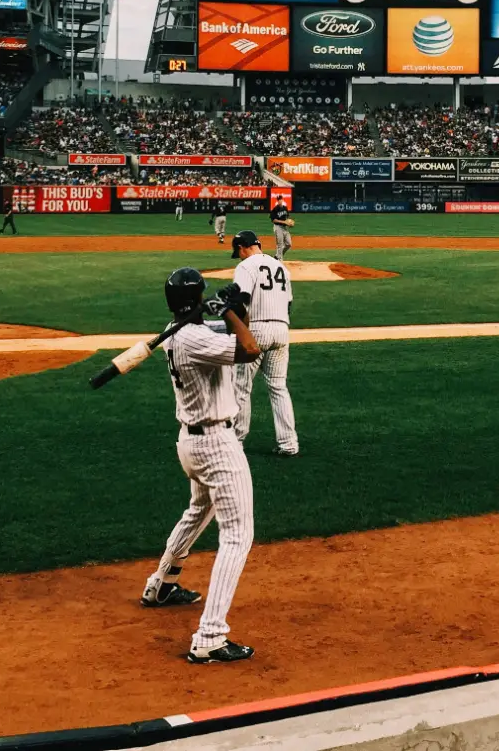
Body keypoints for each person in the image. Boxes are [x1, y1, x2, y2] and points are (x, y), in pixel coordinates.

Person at [142, 268, 261, 664]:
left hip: (190, 443)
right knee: (237, 535)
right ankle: (210, 636)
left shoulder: (177, 330)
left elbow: (218, 326)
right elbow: (250, 348)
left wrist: (231, 307)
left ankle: (161, 583)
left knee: (199, 511)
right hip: (215, 445)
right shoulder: (194, 338)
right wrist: (231, 313)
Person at [230, 231, 299, 456]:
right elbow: (289, 303)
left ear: (242, 248)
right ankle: (289, 444)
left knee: (241, 387)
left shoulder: (246, 266)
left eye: (237, 251)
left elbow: (242, 303)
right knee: (279, 388)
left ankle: (236, 442)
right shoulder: (281, 267)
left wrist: (241, 333)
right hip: (282, 330)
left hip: (256, 330)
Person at [270, 195, 293, 261]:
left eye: (281, 199)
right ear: (277, 201)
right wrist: (284, 222)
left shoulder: (285, 208)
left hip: (284, 228)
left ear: (282, 200)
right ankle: (280, 260)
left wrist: (289, 222)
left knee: (289, 244)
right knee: (280, 244)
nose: (280, 200)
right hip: (278, 227)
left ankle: (278, 255)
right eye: (279, 199)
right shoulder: (275, 209)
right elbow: (274, 220)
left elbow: (287, 217)